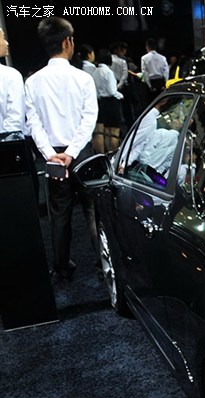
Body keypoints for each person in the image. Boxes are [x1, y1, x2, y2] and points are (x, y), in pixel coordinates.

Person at [25, 17, 98, 281]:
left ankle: (62, 267)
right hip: (82, 153)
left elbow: (33, 123)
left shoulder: (32, 82)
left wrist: (50, 154)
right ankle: (103, 263)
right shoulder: (83, 78)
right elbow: (89, 119)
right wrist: (73, 151)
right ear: (67, 42)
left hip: (53, 157)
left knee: (59, 213)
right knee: (92, 210)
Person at [93, 48, 124, 153]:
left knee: (106, 132)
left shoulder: (95, 71)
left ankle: (106, 155)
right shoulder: (108, 72)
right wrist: (121, 96)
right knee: (114, 131)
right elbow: (112, 91)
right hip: (112, 103)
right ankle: (113, 155)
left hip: (102, 103)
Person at [0, 27, 24, 134]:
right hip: (8, 141)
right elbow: (15, 120)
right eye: (3, 38)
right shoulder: (11, 75)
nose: (6, 43)